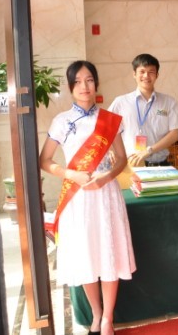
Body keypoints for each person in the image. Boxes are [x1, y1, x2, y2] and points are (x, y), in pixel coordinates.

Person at [39, 61, 135, 335]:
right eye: (78, 81)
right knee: (86, 255)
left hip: (106, 196)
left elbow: (122, 159)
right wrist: (71, 174)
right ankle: (96, 313)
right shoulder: (61, 122)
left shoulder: (110, 120)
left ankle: (107, 319)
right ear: (71, 86)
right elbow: (45, 161)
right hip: (77, 198)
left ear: (97, 84)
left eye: (89, 80)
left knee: (109, 252)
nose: (85, 86)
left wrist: (106, 177)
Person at [108, 53, 178, 167]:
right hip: (131, 166)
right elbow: (106, 129)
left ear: (157, 75)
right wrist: (110, 150)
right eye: (142, 72)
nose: (146, 76)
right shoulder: (121, 102)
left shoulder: (169, 102)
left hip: (160, 165)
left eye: (151, 72)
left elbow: (174, 134)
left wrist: (149, 150)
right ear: (134, 74)